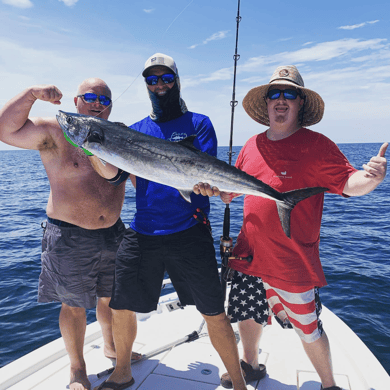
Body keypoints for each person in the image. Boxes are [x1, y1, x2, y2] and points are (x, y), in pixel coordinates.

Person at [195, 65, 387, 390]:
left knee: (308, 328)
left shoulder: (317, 145)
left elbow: (347, 182)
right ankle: (250, 365)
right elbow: (230, 191)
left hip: (291, 262)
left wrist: (370, 178)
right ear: (267, 102)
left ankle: (329, 384)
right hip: (248, 254)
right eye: (274, 94)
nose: (280, 100)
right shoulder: (251, 145)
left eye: (289, 94)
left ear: (300, 103)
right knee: (247, 314)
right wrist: (210, 188)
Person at [90, 53, 247, 390]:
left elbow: (206, 172)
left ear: (177, 80)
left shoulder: (199, 124)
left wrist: (208, 188)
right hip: (143, 230)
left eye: (166, 78)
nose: (159, 85)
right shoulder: (134, 131)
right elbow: (118, 177)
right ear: (146, 85)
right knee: (121, 305)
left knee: (213, 311)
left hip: (189, 230)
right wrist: (93, 150)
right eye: (152, 79)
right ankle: (122, 372)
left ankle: (238, 382)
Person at [0, 79, 140, 390]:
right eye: (90, 96)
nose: (97, 102)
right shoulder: (53, 133)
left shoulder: (119, 134)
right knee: (73, 305)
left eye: (105, 98)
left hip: (115, 233)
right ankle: (78, 370)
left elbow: (140, 180)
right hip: (68, 236)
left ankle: (112, 347)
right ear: (76, 102)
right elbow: (5, 130)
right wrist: (31, 94)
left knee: (114, 300)